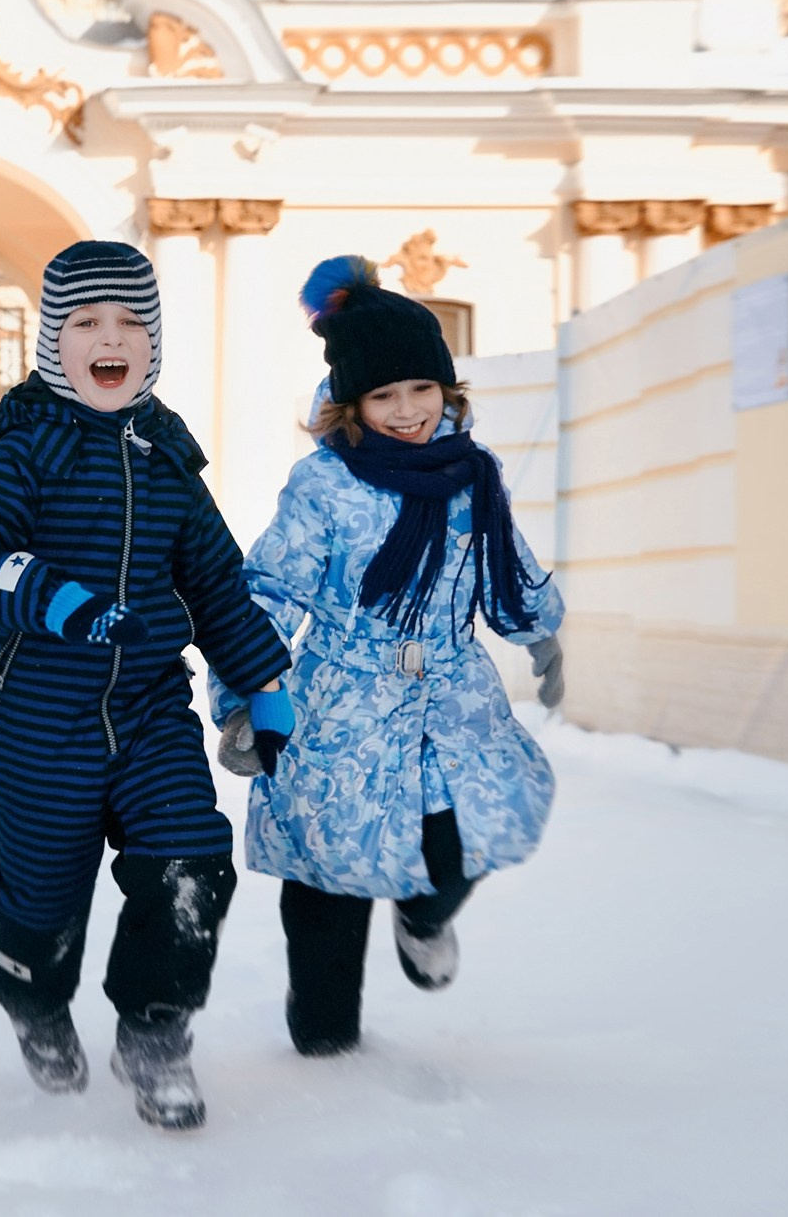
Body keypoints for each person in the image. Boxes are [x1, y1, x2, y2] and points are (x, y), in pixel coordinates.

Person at [0, 240, 294, 1132]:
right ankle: (33, 998)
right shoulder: (30, 449)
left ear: (153, 340)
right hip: (35, 717)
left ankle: (155, 1031)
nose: (110, 338)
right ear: (56, 340)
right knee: (45, 891)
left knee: (191, 865)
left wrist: (264, 686)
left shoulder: (166, 456)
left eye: (131, 322)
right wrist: (56, 598)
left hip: (148, 712)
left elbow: (216, 585)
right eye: (86, 321)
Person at [212, 255, 565, 1058]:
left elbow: (504, 566)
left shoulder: (474, 475)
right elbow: (267, 590)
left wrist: (541, 628)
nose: (407, 409)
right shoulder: (324, 485)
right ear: (352, 405)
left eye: (421, 388)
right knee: (328, 875)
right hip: (340, 705)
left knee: (476, 825)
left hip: (453, 694)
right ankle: (325, 1041)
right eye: (384, 395)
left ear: (448, 390)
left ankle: (424, 914)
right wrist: (240, 695)